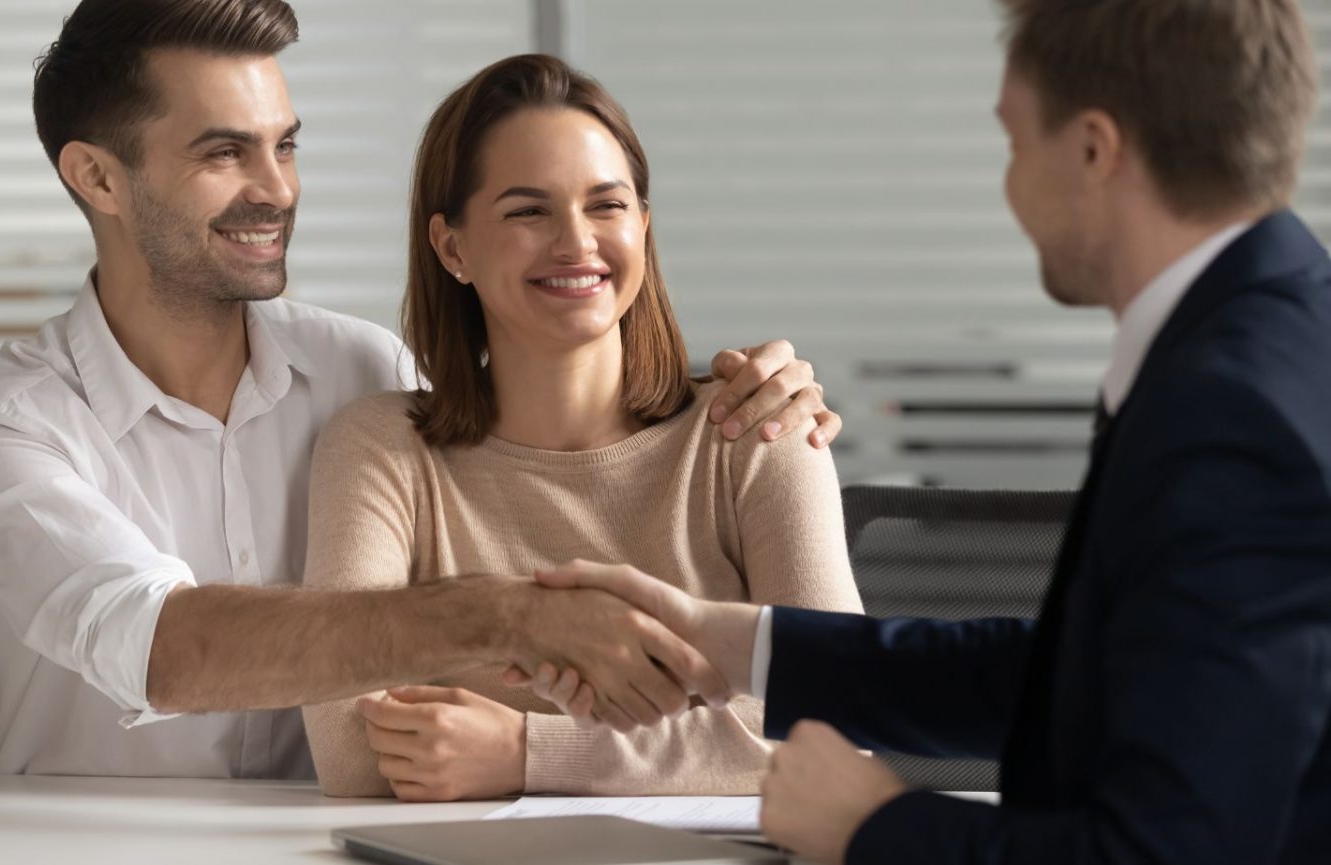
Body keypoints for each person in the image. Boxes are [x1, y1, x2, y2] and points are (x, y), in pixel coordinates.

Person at [0, 0, 843, 779]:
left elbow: (544, 421)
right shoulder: (0, 427)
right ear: (95, 177)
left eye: (285, 146)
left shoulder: (372, 377)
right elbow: (157, 646)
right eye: (224, 153)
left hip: (323, 843)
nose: (276, 190)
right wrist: (512, 616)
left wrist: (776, 399)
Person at [519, 1, 1331, 862]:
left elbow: (1167, 852)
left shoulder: (1235, 410)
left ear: (1094, 149)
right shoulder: (1265, 336)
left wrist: (874, 827)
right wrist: (737, 646)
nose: (1010, 184)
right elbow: (1099, 676)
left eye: (1016, 144)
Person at [297, 54, 864, 802]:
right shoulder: (382, 448)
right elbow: (350, 748)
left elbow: (844, 723)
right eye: (529, 210)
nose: (576, 242)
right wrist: (703, 740)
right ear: (452, 247)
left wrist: (528, 752)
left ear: (644, 224)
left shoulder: (754, 432)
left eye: (607, 205)